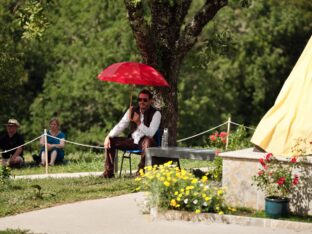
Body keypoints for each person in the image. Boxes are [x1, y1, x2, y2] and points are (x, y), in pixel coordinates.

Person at [103, 89, 161, 178]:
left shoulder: (156, 114)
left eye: (145, 100)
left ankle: (141, 171)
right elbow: (121, 125)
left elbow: (151, 133)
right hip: (132, 141)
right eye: (140, 99)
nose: (142, 102)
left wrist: (138, 123)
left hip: (146, 142)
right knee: (111, 140)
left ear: (151, 101)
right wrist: (109, 136)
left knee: (148, 141)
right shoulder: (132, 110)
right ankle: (108, 173)